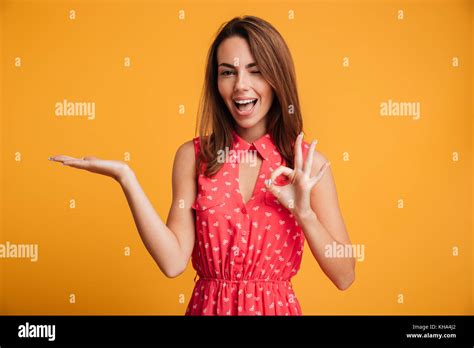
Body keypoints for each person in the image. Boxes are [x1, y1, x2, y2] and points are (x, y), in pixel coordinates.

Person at [49, 15, 355, 315]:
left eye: (256, 71)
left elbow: (345, 276)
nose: (241, 86)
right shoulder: (194, 157)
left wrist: (304, 213)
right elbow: (172, 262)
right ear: (215, 81)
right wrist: (125, 177)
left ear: (277, 78)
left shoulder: (306, 164)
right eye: (227, 72)